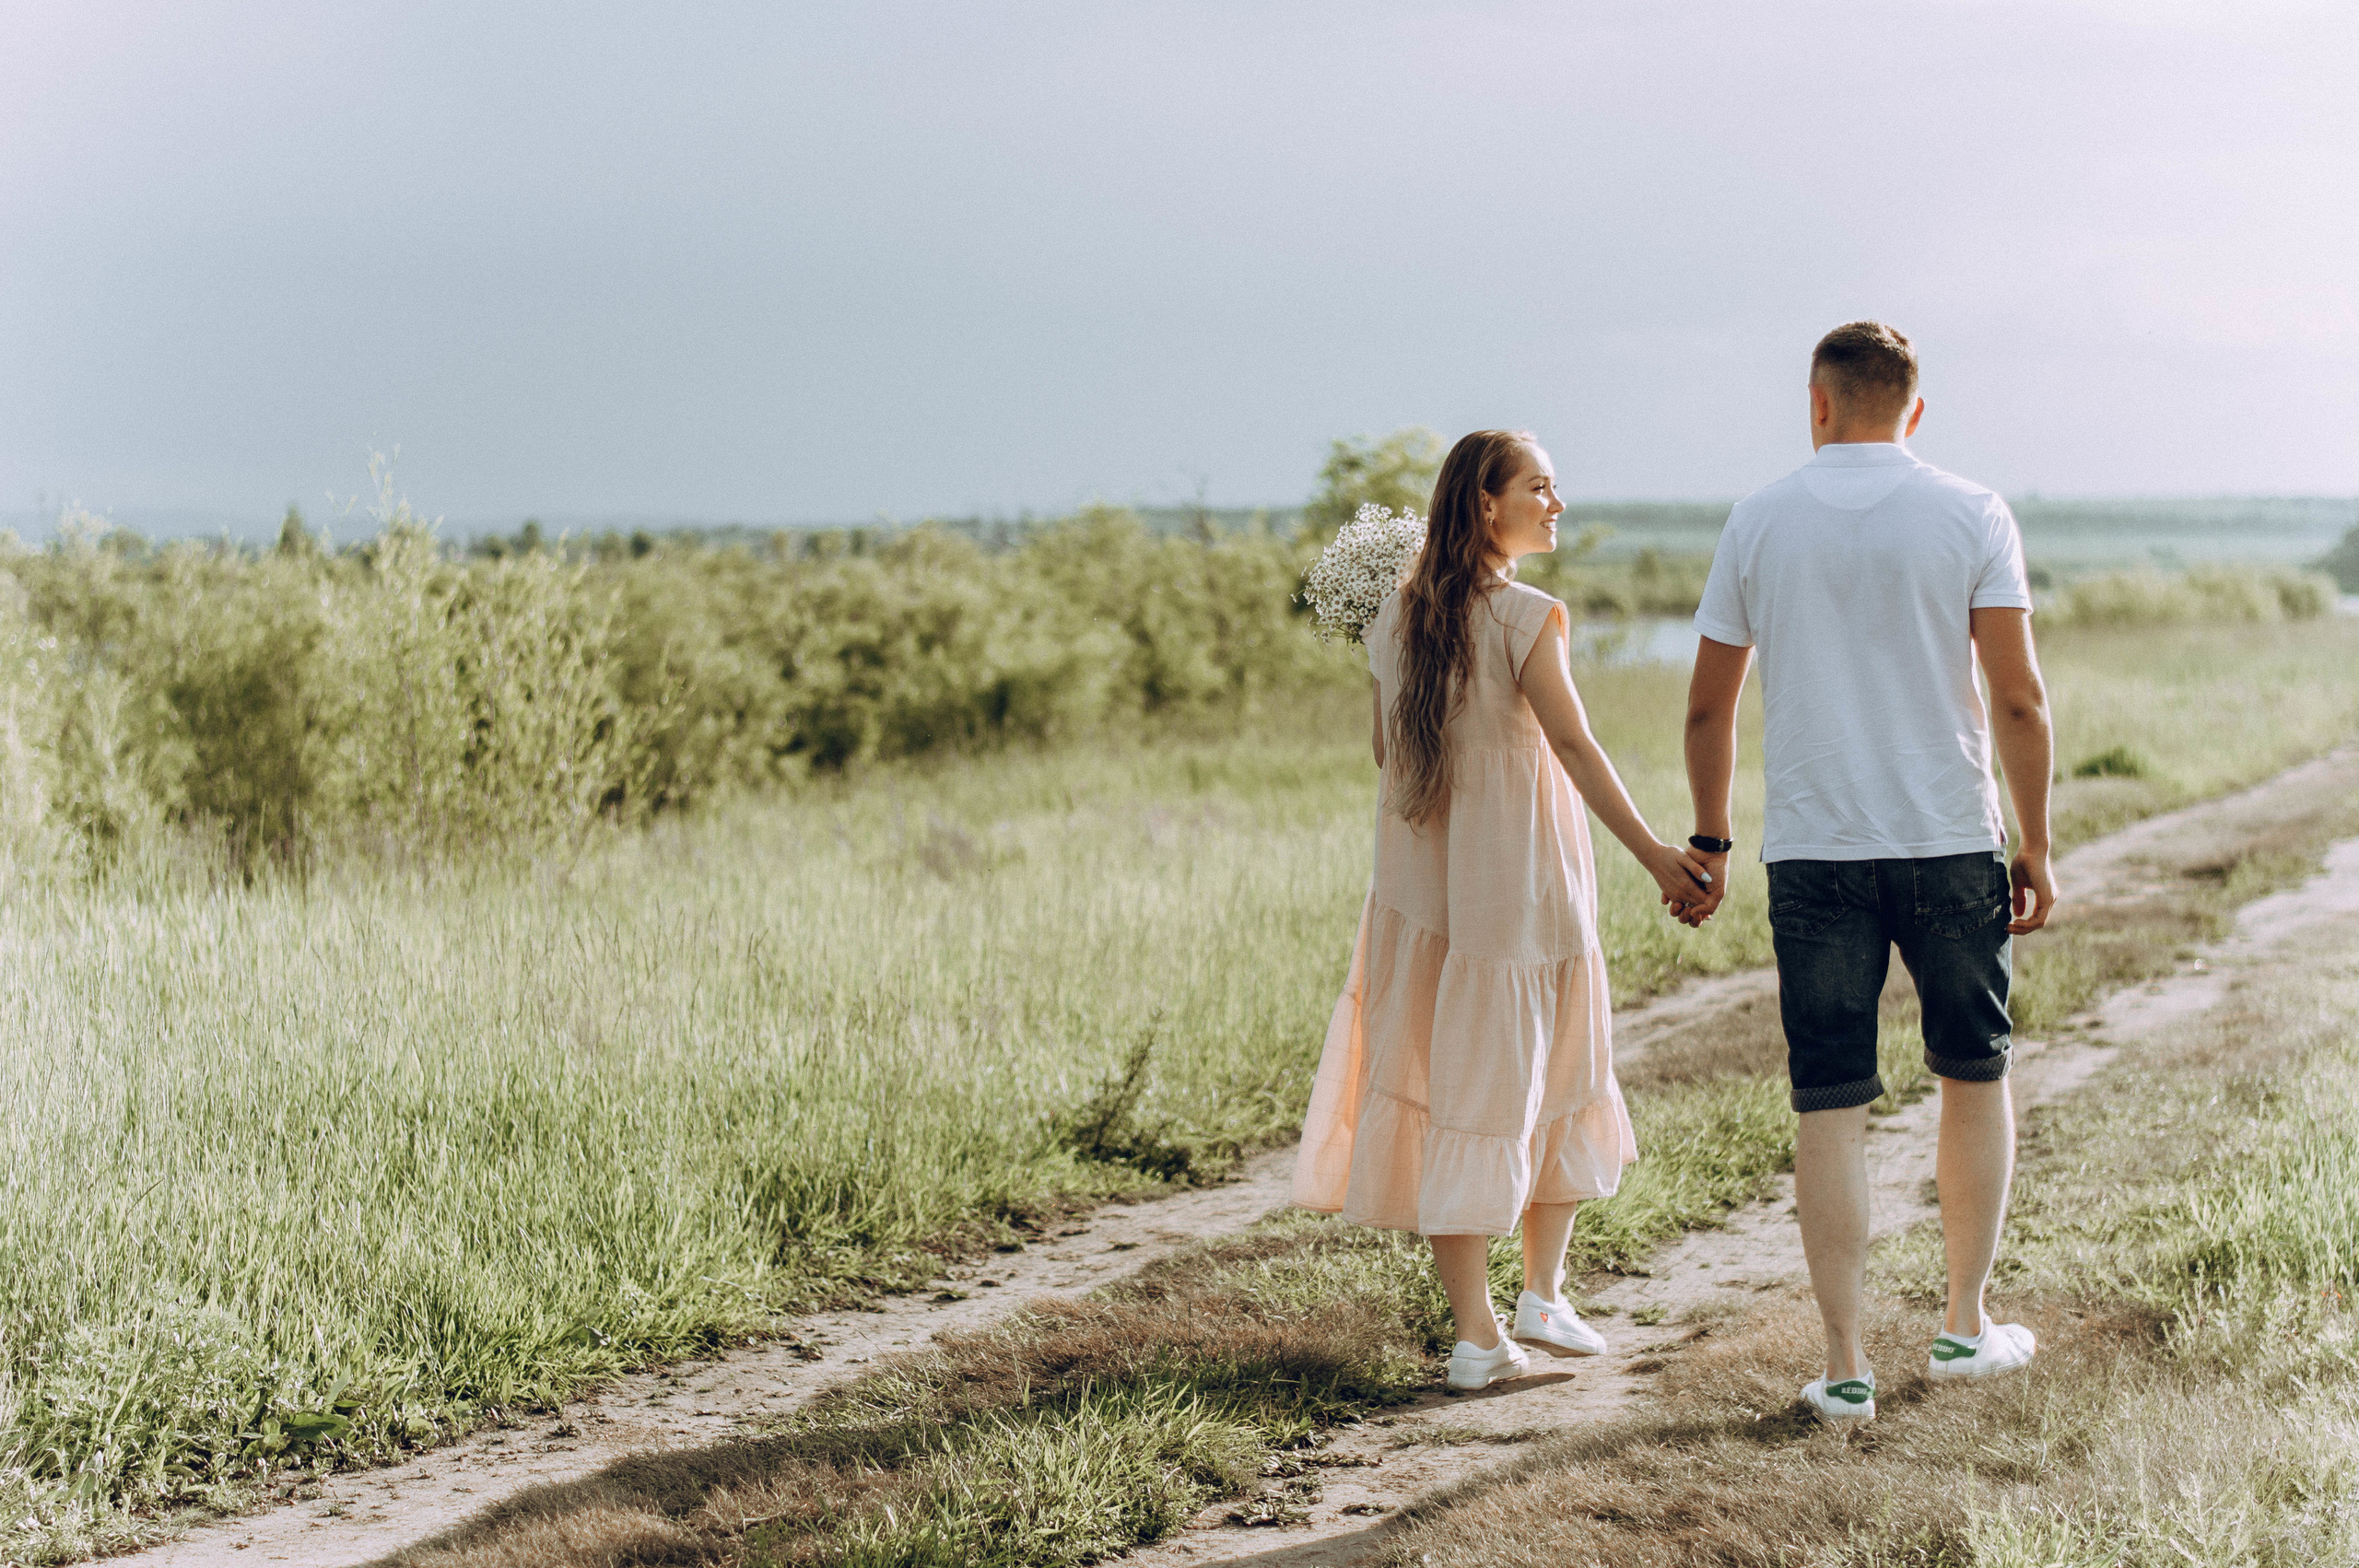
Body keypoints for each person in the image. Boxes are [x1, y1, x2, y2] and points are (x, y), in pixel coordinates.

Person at [1678, 322, 2058, 1424]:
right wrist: (2033, 837)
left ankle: (1843, 1364)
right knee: (1971, 1074)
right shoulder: (1972, 510)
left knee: (1829, 1097)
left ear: (1817, 404)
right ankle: (1961, 1325)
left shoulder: (1758, 518)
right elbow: (2019, 699)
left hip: (1814, 851)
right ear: (1915, 410)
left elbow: (1709, 705)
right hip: (1949, 837)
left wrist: (1709, 839)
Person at [1294, 428, 1714, 1392]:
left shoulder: (1389, 620)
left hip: (1430, 895)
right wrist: (1658, 855)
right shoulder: (1526, 616)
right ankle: (1483, 1339)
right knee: (1539, 1076)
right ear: (1486, 504)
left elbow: (1380, 752)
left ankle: (1532, 1302)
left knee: (1489, 1087)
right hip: (1518, 889)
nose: (1555, 504)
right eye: (1541, 487)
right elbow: (1574, 747)